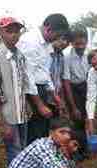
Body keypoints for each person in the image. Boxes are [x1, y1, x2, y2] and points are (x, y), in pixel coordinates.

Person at [0, 17, 38, 168]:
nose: (14, 35)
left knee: (22, 154)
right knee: (15, 156)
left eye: (17, 31)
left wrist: (27, 104)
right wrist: (3, 123)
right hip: (8, 117)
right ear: (0, 33)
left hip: (22, 116)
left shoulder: (20, 56)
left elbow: (22, 85)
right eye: (9, 31)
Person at [17, 13, 70, 144]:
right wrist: (40, 105)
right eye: (56, 36)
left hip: (40, 90)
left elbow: (44, 73)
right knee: (32, 133)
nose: (56, 39)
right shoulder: (30, 42)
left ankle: (40, 160)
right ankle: (31, 161)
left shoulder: (47, 44)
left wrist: (55, 96)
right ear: (48, 28)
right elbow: (27, 78)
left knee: (42, 130)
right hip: (27, 93)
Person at [62, 25, 91, 156]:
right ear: (72, 42)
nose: (80, 46)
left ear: (86, 41)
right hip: (73, 90)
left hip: (88, 87)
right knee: (77, 120)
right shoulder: (66, 56)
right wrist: (73, 107)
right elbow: (66, 82)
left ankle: (89, 147)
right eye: (77, 43)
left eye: (83, 43)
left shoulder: (89, 54)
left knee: (89, 117)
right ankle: (78, 151)